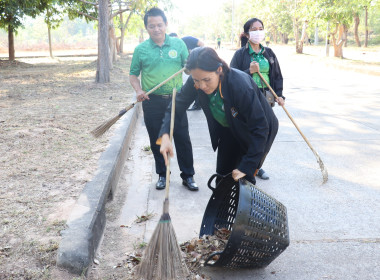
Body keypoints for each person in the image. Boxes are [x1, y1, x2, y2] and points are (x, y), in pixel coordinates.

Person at [158, 47, 278, 185]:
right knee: (222, 177)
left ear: (219, 70)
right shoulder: (196, 81)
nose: (201, 85)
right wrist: (166, 134)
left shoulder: (239, 86)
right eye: (196, 80)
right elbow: (176, 106)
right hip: (229, 127)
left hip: (256, 130)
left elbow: (260, 127)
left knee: (243, 179)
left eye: (207, 80)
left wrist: (247, 166)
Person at [129, 8, 198, 191]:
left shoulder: (178, 45)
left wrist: (191, 68)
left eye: (160, 25)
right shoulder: (140, 50)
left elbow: (189, 67)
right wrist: (138, 90)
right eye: (152, 26)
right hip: (152, 102)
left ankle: (188, 176)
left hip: (176, 99)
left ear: (166, 24)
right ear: (146, 27)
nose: (156, 29)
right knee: (157, 139)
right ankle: (162, 174)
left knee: (182, 137)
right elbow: (133, 75)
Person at [230, 17, 285, 181]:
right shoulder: (240, 54)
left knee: (269, 131)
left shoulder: (268, 53)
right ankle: (247, 165)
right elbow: (231, 77)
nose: (258, 31)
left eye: (260, 28)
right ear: (247, 34)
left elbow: (277, 76)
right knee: (251, 133)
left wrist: (280, 95)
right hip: (247, 98)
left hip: (266, 98)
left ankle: (256, 165)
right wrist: (249, 71)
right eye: (254, 29)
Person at [181, 36, 204, 111]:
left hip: (198, 63)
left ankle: (198, 105)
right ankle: (197, 104)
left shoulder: (187, 39)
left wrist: (196, 54)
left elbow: (201, 44)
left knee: (198, 84)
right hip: (192, 65)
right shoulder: (178, 48)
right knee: (196, 84)